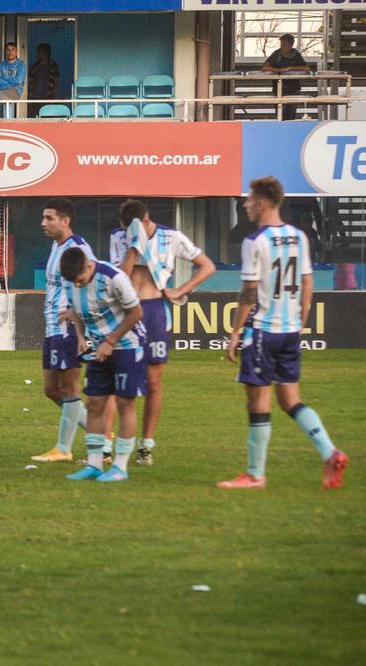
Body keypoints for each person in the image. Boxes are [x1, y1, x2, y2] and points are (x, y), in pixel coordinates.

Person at [219, 176, 348, 490]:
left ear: (262, 203)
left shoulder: (255, 241)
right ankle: (330, 452)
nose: (246, 206)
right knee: (290, 400)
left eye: (249, 200)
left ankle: (254, 475)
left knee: (258, 403)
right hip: (290, 331)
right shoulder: (298, 237)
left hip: (263, 331)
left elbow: (248, 292)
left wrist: (235, 332)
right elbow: (307, 285)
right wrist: (299, 323)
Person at [116, 200, 216, 466]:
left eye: (143, 225)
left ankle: (146, 445)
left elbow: (207, 265)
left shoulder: (171, 238)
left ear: (148, 220)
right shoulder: (119, 238)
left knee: (154, 382)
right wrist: (133, 249)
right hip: (126, 312)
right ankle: (108, 445)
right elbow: (120, 279)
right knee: (119, 379)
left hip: (155, 312)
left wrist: (181, 289)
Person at [60, 246, 145, 483]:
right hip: (99, 347)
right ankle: (95, 464)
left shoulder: (114, 278)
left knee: (124, 403)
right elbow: (75, 311)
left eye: (80, 280)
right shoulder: (70, 281)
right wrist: (80, 337)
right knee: (94, 403)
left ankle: (120, 466)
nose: (77, 285)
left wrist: (111, 341)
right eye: (73, 282)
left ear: (89, 266)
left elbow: (136, 312)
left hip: (127, 344)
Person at [31, 198, 99, 464]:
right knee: (51, 389)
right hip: (52, 326)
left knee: (70, 388)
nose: (43, 223)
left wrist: (76, 310)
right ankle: (100, 433)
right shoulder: (55, 245)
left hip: (68, 328)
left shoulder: (79, 248)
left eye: (49, 218)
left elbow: (93, 277)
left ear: (65, 221)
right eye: (44, 218)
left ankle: (63, 448)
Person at [262, 34, 310, 121]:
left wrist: (291, 68)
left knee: (291, 116)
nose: (281, 46)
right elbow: (265, 67)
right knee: (280, 116)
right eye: (281, 44)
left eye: (284, 44)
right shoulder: (277, 54)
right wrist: (277, 70)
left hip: (293, 90)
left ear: (291, 45)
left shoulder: (296, 55)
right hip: (279, 90)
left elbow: (306, 68)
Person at [0, 42, 24, 119]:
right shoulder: (1, 65)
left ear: (16, 51)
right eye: (8, 50)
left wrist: (4, 78)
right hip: (0, 91)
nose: (10, 52)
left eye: (12, 50)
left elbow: (18, 81)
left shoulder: (21, 65)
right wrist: (11, 83)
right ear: (5, 51)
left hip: (15, 91)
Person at [28, 43, 60, 117]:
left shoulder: (53, 65)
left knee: (47, 116)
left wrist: (54, 96)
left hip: (48, 96)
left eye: (39, 52)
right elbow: (30, 79)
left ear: (45, 52)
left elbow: (56, 81)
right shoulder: (35, 66)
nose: (37, 54)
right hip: (35, 97)